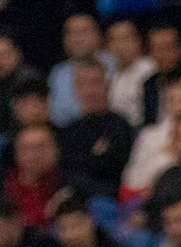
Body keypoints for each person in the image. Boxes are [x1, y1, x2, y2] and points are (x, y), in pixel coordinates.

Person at [58, 60, 136, 200]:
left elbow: (117, 170)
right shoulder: (69, 132)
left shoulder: (121, 126)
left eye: (95, 83)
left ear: (107, 86)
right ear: (75, 89)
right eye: (83, 84)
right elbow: (70, 174)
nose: (89, 91)